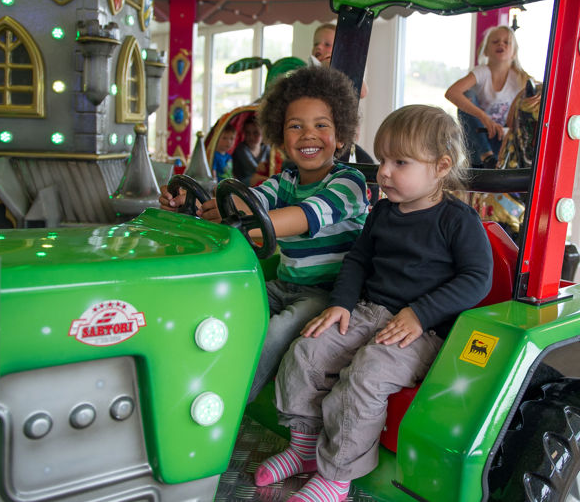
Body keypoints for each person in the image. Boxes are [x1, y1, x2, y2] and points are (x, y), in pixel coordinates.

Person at [254, 105, 492, 502]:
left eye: (400, 162)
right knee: (308, 350)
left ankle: (337, 475)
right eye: (382, 160)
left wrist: (420, 313)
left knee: (366, 375)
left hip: (421, 330)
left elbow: (477, 279)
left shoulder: (458, 221)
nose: (383, 171)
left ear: (440, 166)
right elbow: (359, 259)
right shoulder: (383, 211)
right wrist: (342, 304)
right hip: (366, 311)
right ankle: (304, 449)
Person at [159, 66, 369, 402]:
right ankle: (185, 383)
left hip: (328, 294)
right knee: (220, 302)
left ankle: (232, 405)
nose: (308, 134)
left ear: (341, 136)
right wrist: (198, 204)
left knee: (275, 333)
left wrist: (242, 214)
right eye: (295, 126)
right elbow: (248, 198)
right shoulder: (284, 180)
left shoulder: (347, 183)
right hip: (283, 284)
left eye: (321, 125)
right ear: (280, 136)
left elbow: (303, 216)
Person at [444, 25, 540, 168]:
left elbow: (541, 89)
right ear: (486, 50)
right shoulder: (482, 72)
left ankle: (509, 160)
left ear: (514, 53)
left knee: (531, 98)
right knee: (466, 96)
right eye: (495, 42)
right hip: (478, 139)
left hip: (502, 141)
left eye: (506, 42)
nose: (501, 44)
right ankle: (486, 157)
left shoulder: (520, 78)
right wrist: (484, 117)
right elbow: (451, 92)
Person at [232, 116, 270, 186]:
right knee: (256, 179)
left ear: (263, 134)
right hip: (241, 183)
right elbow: (254, 169)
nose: (251, 137)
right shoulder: (241, 149)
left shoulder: (266, 148)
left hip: (261, 181)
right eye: (247, 133)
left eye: (256, 133)